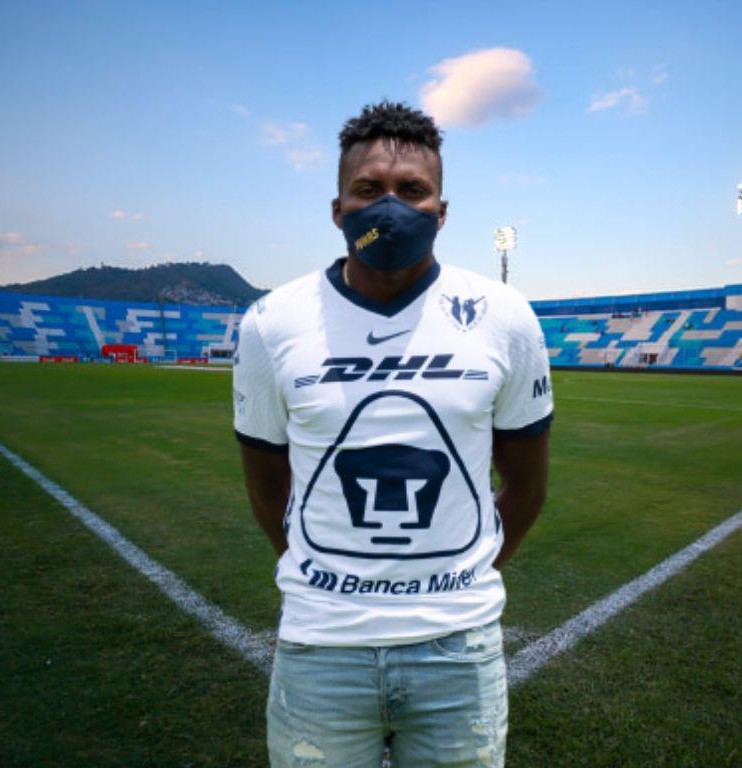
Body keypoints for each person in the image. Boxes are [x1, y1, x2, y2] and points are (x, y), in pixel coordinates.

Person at [234, 101, 552, 767]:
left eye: (412, 191)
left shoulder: (505, 317)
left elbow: (525, 488)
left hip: (458, 650)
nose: (390, 208)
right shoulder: (271, 322)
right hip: (320, 647)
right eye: (368, 190)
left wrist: (465, 579)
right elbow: (268, 488)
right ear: (337, 209)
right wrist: (326, 579)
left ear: (441, 211)